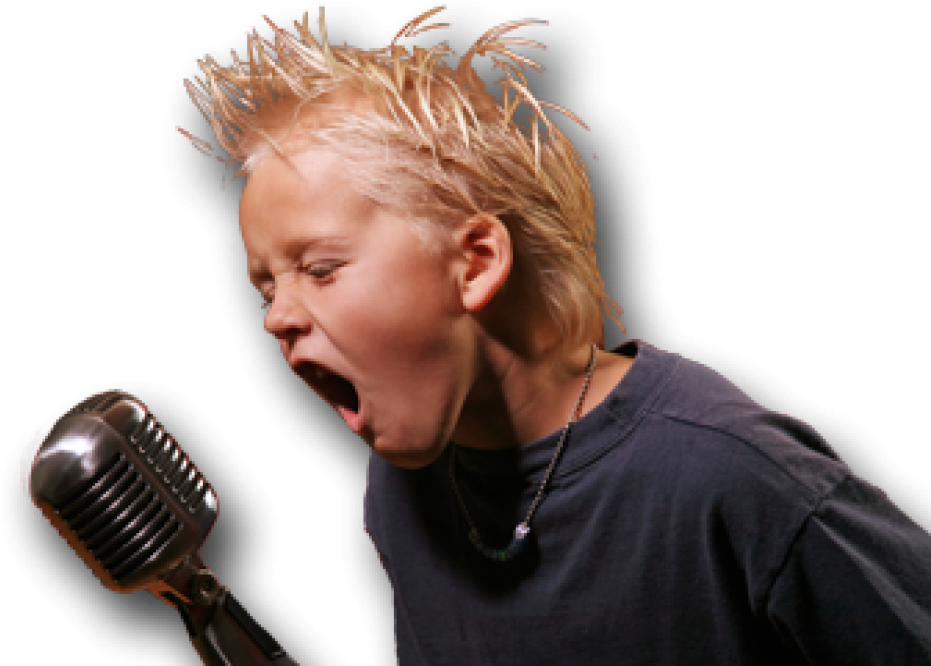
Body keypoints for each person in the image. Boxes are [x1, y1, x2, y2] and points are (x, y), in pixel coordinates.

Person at [178, 6, 931, 664]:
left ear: (474, 263)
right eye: (265, 285)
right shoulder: (397, 488)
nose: (277, 316)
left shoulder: (734, 479)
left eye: (320, 267)